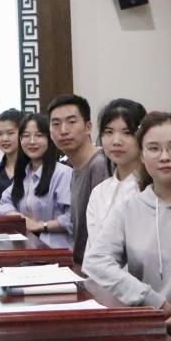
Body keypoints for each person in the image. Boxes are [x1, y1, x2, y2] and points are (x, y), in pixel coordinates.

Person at [83, 112, 171, 331]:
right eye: (153, 149)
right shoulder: (130, 208)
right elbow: (95, 261)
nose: (165, 157)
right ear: (142, 156)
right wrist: (151, 300)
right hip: (151, 323)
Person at [48, 93, 110, 266]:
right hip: (82, 263)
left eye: (71, 122)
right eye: (56, 124)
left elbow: (104, 230)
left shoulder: (99, 165)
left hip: (97, 267)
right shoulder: (73, 166)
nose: (63, 130)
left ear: (88, 127)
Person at [0, 113, 73, 248]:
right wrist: (19, 218)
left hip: (56, 250)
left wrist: (40, 226)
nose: (32, 141)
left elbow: (72, 219)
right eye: (26, 136)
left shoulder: (63, 173)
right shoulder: (25, 173)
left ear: (49, 139)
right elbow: (4, 203)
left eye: (39, 135)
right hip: (28, 247)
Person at [84, 98, 147, 257]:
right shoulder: (99, 192)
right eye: (109, 132)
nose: (116, 141)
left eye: (127, 133)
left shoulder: (151, 191)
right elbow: (92, 252)